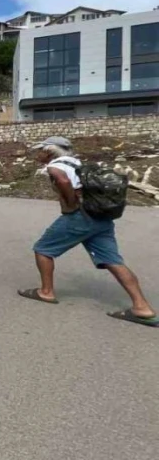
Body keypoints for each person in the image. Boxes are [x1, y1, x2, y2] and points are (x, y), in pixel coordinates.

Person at [18, 136, 157, 327]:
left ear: (49, 151)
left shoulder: (55, 167)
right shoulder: (77, 163)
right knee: (113, 260)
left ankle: (46, 292)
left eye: (40, 150)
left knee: (43, 249)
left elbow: (63, 181)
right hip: (101, 217)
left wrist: (71, 204)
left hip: (79, 217)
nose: (38, 154)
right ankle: (142, 308)